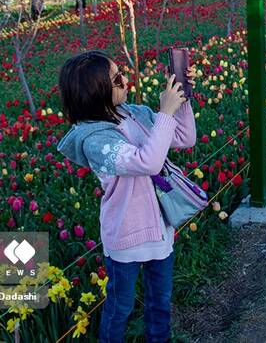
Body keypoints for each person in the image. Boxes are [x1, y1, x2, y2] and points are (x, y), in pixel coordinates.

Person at [56, 51, 197, 343]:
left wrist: (180, 103)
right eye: (117, 78)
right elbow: (148, 162)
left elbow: (184, 138)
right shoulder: (95, 140)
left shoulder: (136, 113)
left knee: (160, 303)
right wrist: (166, 113)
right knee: (120, 308)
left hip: (159, 230)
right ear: (95, 92)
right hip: (126, 236)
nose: (125, 80)